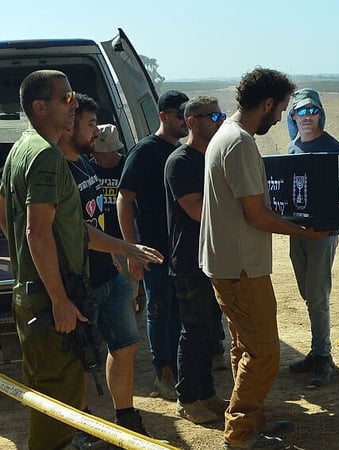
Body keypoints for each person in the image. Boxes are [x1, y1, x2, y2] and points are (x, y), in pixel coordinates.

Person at [0, 70, 161, 450]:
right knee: (60, 400)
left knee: (49, 392)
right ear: (40, 107)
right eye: (65, 97)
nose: (73, 105)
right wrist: (58, 298)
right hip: (49, 296)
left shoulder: (23, 147)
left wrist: (25, 262)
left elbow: (10, 212)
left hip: (35, 289)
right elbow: (37, 232)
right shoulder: (45, 156)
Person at [199, 68, 326, 449]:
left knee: (244, 347)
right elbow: (256, 214)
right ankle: (239, 435)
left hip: (231, 263)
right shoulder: (238, 142)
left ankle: (253, 423)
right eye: (281, 109)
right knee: (265, 352)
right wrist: (306, 231)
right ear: (267, 103)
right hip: (240, 267)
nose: (281, 117)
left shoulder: (229, 137)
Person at [59, 93, 159, 440]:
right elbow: (80, 233)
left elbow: (96, 221)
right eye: (88, 124)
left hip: (107, 274)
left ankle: (126, 418)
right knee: (81, 357)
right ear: (69, 125)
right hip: (78, 282)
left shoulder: (85, 164)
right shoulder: (56, 168)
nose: (94, 132)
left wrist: (115, 262)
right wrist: (128, 249)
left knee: (126, 345)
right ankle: (84, 426)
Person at [118, 90, 189, 400]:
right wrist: (131, 248)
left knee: (178, 310)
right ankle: (164, 372)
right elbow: (124, 198)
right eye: (179, 115)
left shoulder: (185, 152)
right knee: (158, 311)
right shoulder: (145, 151)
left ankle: (178, 367)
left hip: (181, 249)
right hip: (155, 251)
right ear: (164, 116)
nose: (185, 121)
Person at [164, 95, 228, 424]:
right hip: (189, 259)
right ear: (192, 122)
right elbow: (196, 210)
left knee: (209, 331)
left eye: (221, 116)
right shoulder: (181, 161)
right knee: (194, 330)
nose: (219, 121)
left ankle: (206, 394)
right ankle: (187, 399)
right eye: (212, 117)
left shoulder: (213, 157)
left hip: (213, 257)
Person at [285, 88, 339, 388]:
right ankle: (316, 349)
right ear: (293, 115)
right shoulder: (292, 148)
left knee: (317, 294)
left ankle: (323, 356)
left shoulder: (335, 148)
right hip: (297, 231)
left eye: (312, 111)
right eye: (301, 111)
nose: (307, 116)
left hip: (324, 233)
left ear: (320, 114)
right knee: (308, 293)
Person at [90, 124, 141, 313]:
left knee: (127, 293)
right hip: (97, 241)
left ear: (112, 151)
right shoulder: (88, 168)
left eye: (100, 153)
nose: (95, 156)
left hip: (122, 241)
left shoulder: (128, 167)